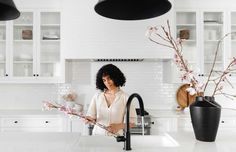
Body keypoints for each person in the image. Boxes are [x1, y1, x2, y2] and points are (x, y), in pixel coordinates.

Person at [85, 64, 137, 136]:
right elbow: (92, 117)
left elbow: (133, 123)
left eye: (109, 78)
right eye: (104, 80)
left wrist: (118, 126)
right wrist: (89, 119)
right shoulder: (97, 96)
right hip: (97, 136)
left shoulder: (126, 98)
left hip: (116, 138)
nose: (107, 83)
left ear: (116, 77)